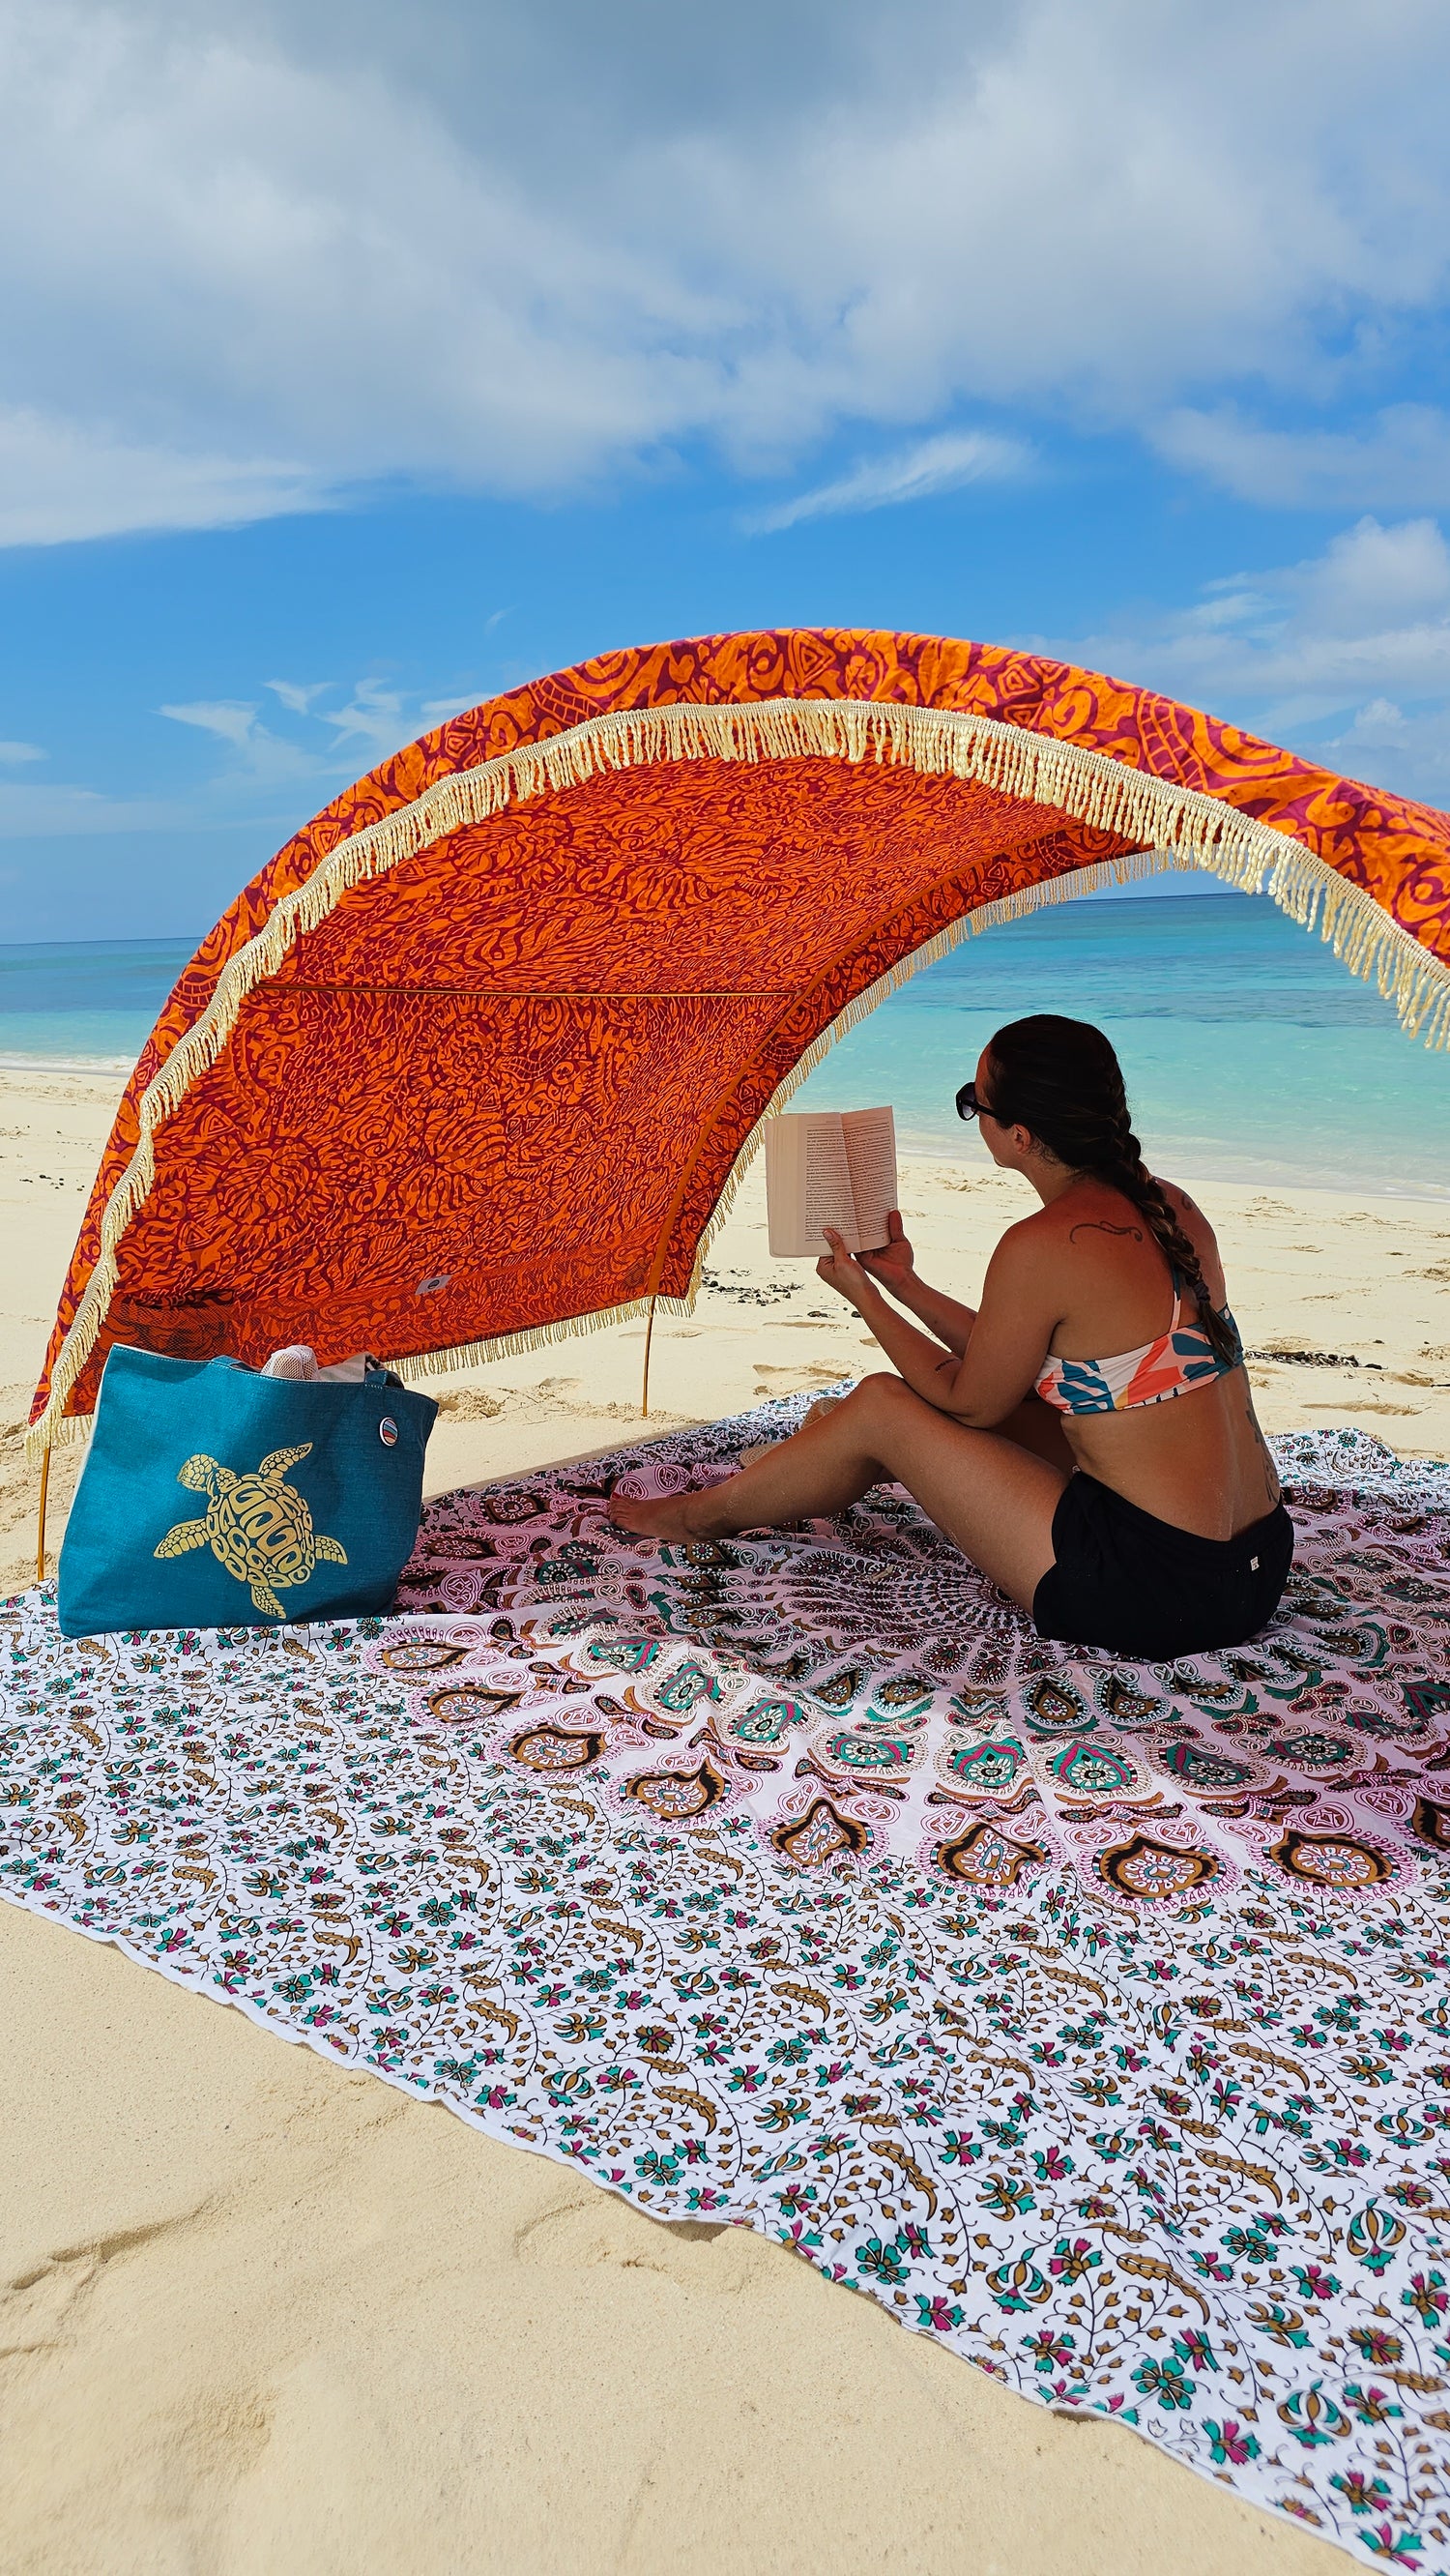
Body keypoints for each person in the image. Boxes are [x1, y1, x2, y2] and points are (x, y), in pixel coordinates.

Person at [609, 1013, 1293, 1662]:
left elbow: (972, 1405)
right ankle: (819, 1452)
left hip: (1154, 1594)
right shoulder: (1169, 1205)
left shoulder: (1044, 1243)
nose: (973, 1116)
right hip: (1254, 1571)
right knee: (979, 1412)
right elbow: (1015, 1363)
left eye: (974, 1101)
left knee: (881, 1404)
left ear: (1019, 1135)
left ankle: (700, 1518)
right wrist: (906, 1283)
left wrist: (866, 1300)